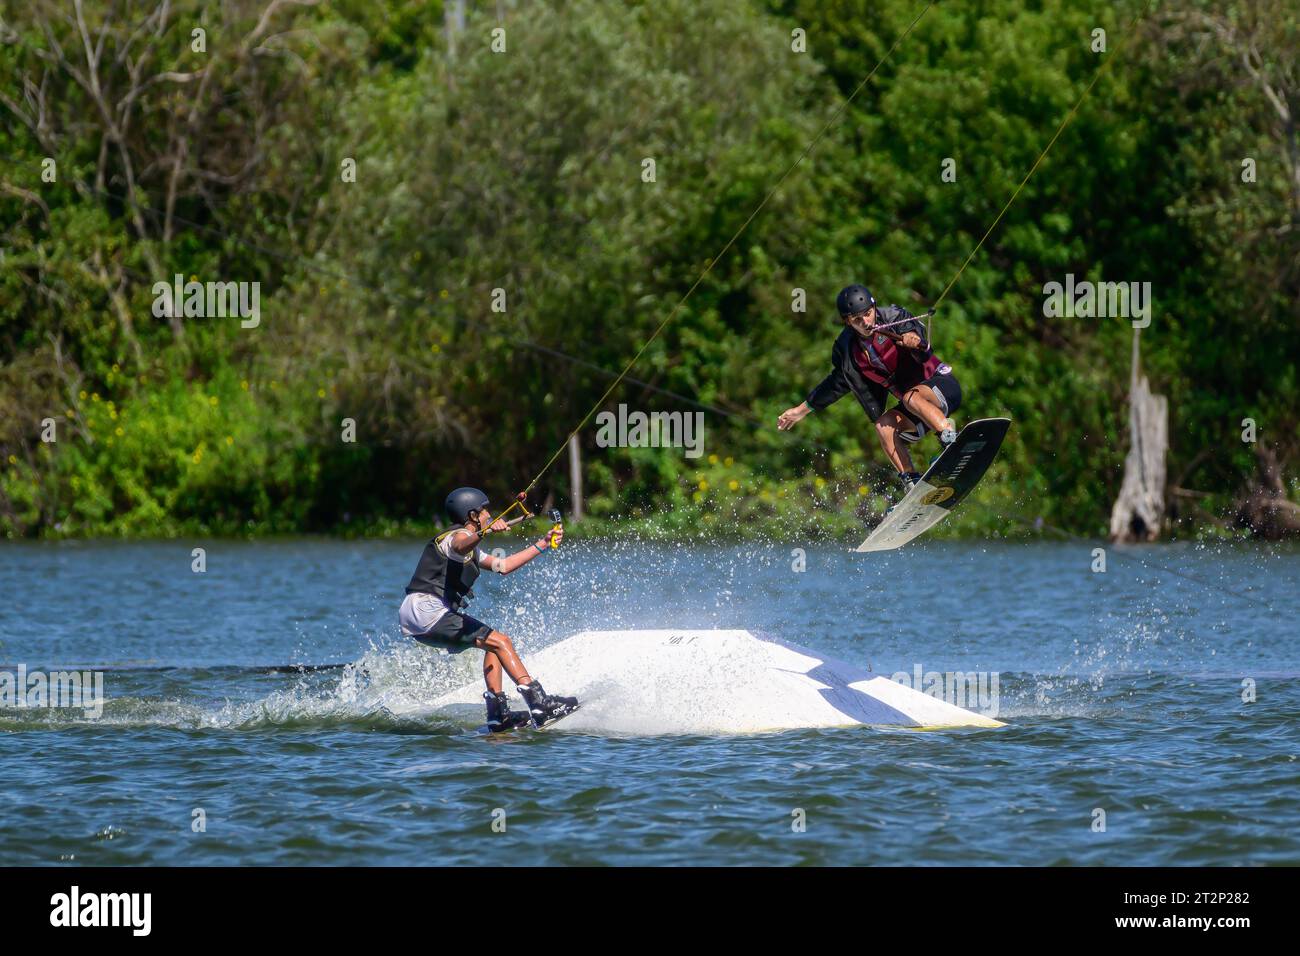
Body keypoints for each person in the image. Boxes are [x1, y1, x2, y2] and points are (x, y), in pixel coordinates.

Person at [398, 487, 579, 731]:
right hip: (426, 611)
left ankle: (498, 716)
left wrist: (543, 544)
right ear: (472, 515)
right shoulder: (454, 538)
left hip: (421, 616)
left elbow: (503, 565)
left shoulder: (473, 548)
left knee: (493, 645)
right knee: (502, 641)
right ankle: (540, 704)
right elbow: (461, 544)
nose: (488, 514)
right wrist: (484, 532)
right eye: (484, 510)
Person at [777, 284, 962, 493]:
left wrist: (914, 340)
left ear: (874, 307)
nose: (865, 322)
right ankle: (913, 483)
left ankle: (949, 438)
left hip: (942, 388)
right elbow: (834, 386)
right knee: (883, 425)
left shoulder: (894, 318)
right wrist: (800, 412)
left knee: (911, 397)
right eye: (857, 319)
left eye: (868, 314)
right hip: (916, 410)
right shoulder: (850, 353)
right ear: (848, 322)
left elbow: (920, 343)